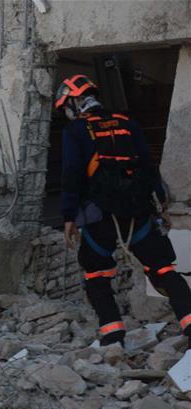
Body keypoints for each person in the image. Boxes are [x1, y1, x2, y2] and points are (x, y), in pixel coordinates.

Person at [56, 73, 191, 346]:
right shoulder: (128, 122)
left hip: (99, 215)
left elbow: (71, 175)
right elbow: (149, 165)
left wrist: (68, 216)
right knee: (164, 269)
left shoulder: (76, 131)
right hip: (139, 210)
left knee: (96, 274)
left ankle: (113, 337)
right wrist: (161, 202)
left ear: (73, 101)